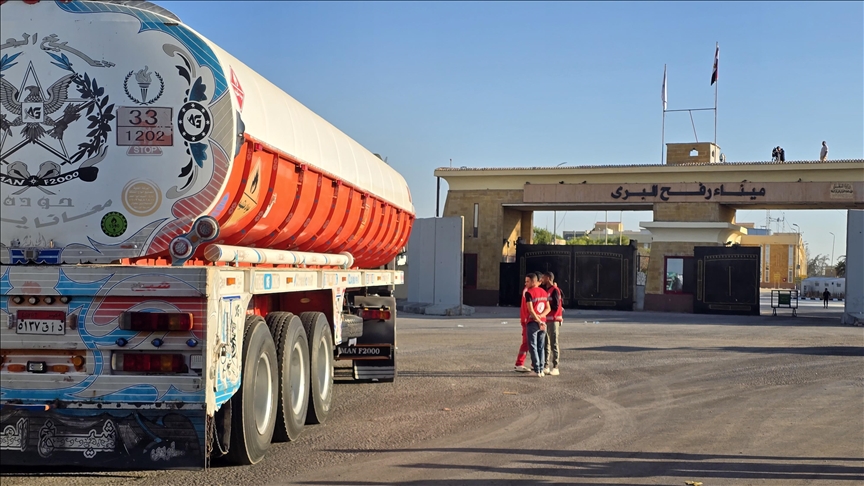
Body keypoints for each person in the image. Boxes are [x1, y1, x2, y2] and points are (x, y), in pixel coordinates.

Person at [522, 272, 549, 377]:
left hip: (533, 322)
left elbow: (531, 311)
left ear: (534, 281)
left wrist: (538, 320)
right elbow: (548, 308)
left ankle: (537, 369)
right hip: (543, 322)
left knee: (533, 346)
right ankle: (541, 369)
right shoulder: (543, 292)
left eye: (527, 281)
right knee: (541, 346)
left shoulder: (529, 293)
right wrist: (541, 318)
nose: (526, 284)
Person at [540, 272, 563, 376]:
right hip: (547, 320)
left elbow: (556, 305)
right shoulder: (547, 290)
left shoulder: (555, 290)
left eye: (544, 277)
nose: (542, 279)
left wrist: (547, 307)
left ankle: (555, 366)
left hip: (554, 320)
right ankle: (546, 366)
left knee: (554, 343)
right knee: (546, 344)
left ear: (548, 278)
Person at [514, 278, 532, 372]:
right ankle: (519, 363)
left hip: (527, 319)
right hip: (528, 320)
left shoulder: (528, 290)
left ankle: (531, 363)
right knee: (527, 343)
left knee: (530, 342)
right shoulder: (528, 291)